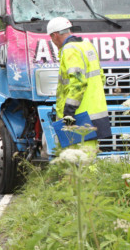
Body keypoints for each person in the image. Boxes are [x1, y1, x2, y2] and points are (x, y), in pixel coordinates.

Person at [47, 17, 111, 154]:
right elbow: (101, 77)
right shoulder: (87, 45)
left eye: (51, 38)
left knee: (76, 159)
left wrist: (69, 111)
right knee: (89, 155)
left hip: (78, 115)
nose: (53, 42)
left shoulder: (69, 49)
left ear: (55, 35)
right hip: (94, 112)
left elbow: (78, 83)